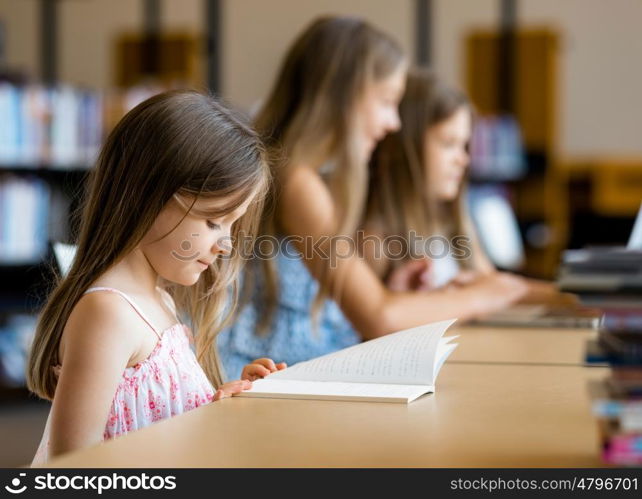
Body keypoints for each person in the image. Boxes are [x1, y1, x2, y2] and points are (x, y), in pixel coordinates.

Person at [217, 16, 527, 380]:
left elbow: (350, 308)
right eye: (386, 102)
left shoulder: (313, 179)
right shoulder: (297, 182)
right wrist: (485, 295)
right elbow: (380, 316)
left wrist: (395, 292)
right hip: (262, 379)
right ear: (342, 98)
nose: (393, 122)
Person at [27, 90, 284, 464]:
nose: (225, 246)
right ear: (147, 196)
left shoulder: (160, 301)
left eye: (232, 225)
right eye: (213, 222)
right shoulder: (108, 314)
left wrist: (221, 405)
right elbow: (72, 469)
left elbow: (162, 423)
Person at [365, 67, 565, 310]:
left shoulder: (452, 221)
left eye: (464, 146)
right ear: (405, 150)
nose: (463, 160)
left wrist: (579, 297)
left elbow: (498, 288)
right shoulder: (374, 237)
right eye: (448, 143)